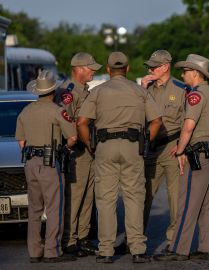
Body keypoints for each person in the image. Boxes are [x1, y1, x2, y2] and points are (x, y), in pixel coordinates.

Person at [76, 51, 162, 264]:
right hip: (133, 146)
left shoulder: (98, 92)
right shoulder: (138, 91)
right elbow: (157, 121)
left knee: (106, 200)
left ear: (107, 69)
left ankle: (105, 250)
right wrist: (146, 142)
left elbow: (81, 122)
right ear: (127, 68)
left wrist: (91, 145)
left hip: (104, 147)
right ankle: (138, 249)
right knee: (134, 197)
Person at [154, 54, 209, 261]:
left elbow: (188, 127)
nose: (182, 74)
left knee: (187, 203)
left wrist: (181, 150)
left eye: (185, 71)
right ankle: (206, 247)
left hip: (198, 153)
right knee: (205, 202)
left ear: (195, 73)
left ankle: (177, 249)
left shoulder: (196, 95)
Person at [15, 70, 77, 263]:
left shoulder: (25, 111)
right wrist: (64, 149)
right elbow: (73, 138)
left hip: (30, 162)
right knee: (54, 207)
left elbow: (22, 143)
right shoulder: (57, 111)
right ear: (53, 91)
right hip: (50, 161)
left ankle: (34, 251)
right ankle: (52, 250)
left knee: (34, 208)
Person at [141, 50, 189, 251]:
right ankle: (135, 240)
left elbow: (190, 120)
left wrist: (183, 148)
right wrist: (142, 89)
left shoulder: (181, 89)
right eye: (150, 66)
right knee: (142, 195)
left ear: (165, 67)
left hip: (172, 147)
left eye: (154, 66)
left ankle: (173, 242)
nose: (150, 69)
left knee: (175, 198)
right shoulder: (147, 88)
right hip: (150, 148)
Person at [57, 52, 101, 257]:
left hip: (88, 150)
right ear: (79, 68)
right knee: (74, 197)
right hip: (76, 151)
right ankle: (69, 239)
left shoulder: (84, 90)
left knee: (87, 195)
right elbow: (67, 123)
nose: (93, 71)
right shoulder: (68, 91)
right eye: (90, 67)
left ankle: (83, 237)